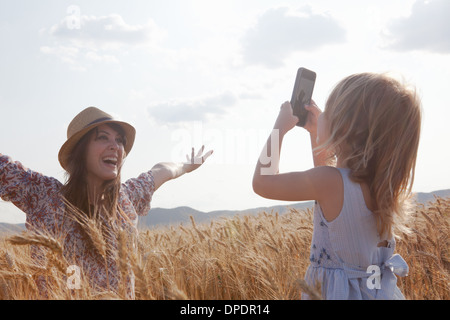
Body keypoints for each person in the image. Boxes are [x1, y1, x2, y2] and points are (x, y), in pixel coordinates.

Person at [0, 106, 213, 299]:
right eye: (103, 138)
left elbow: (162, 170)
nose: (115, 147)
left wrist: (184, 167)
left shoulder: (126, 198)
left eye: (120, 140)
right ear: (80, 150)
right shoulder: (44, 196)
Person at [252, 72, 421, 300]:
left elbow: (262, 183)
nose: (321, 115)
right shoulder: (380, 186)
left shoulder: (329, 182)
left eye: (328, 112)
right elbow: (332, 180)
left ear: (343, 128)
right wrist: (316, 132)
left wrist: (278, 129)